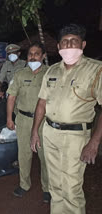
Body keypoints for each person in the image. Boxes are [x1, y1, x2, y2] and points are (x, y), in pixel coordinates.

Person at [31, 24, 102, 214]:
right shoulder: (52, 70)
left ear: (83, 44)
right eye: (65, 42)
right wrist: (35, 132)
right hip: (49, 133)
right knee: (55, 185)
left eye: (74, 41)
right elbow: (41, 104)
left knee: (71, 188)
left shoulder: (96, 70)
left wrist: (94, 143)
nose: (69, 45)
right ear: (59, 47)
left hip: (76, 137)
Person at [6, 42, 50, 203]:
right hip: (23, 120)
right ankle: (24, 184)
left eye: (36, 53)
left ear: (43, 56)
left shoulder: (50, 74)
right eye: (30, 54)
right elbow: (11, 97)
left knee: (46, 156)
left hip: (45, 121)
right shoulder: (20, 74)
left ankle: (47, 188)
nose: (32, 56)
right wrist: (9, 118)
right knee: (24, 155)